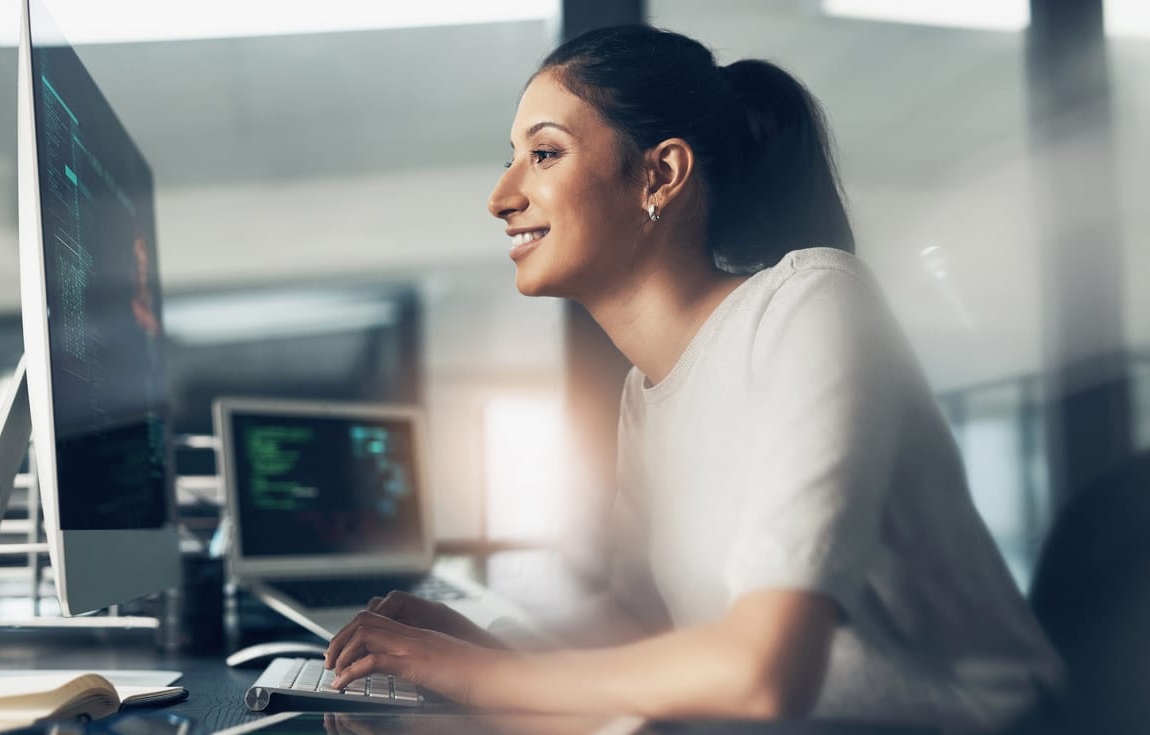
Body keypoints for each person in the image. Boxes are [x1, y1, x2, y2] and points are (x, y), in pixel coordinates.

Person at [324, 24, 1063, 732]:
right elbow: (641, 630)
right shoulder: (645, 394)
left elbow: (764, 669)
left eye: (544, 154)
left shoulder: (813, 302)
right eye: (511, 157)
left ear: (661, 173)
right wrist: (480, 643)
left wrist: (472, 676)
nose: (502, 195)